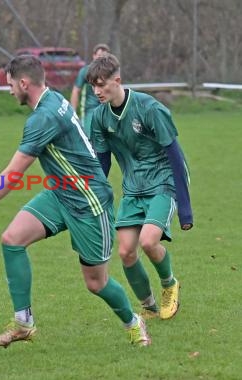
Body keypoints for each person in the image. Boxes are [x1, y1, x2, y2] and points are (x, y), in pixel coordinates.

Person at [0, 55, 151, 348]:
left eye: (11, 84)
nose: (10, 90)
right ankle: (23, 322)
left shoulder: (43, 117)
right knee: (12, 239)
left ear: (24, 83)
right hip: (61, 192)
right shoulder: (53, 99)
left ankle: (132, 321)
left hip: (89, 202)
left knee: (96, 283)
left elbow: (13, 173)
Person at [87, 53, 192, 320]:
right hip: (133, 189)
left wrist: (186, 209)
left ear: (117, 80)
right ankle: (149, 306)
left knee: (148, 241)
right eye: (93, 86)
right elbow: (101, 164)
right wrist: (93, 200)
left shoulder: (149, 109)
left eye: (102, 85)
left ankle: (169, 284)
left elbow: (175, 157)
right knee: (125, 252)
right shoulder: (99, 118)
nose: (97, 91)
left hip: (163, 182)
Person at [70, 43, 110, 137]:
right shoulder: (85, 71)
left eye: (105, 56)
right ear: (94, 56)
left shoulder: (111, 72)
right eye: (99, 55)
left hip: (108, 109)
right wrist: (73, 113)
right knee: (91, 139)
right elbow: (76, 91)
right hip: (91, 110)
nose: (101, 58)